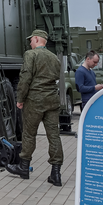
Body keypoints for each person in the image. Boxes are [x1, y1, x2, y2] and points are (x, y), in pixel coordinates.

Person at [13, 31, 64, 186]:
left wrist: (20, 99)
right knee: (53, 135)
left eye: (31, 40)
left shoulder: (30, 55)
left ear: (36, 39)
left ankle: (23, 168)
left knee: (29, 134)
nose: (29, 43)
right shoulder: (54, 57)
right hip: (52, 100)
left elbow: (25, 78)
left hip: (34, 100)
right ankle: (56, 173)